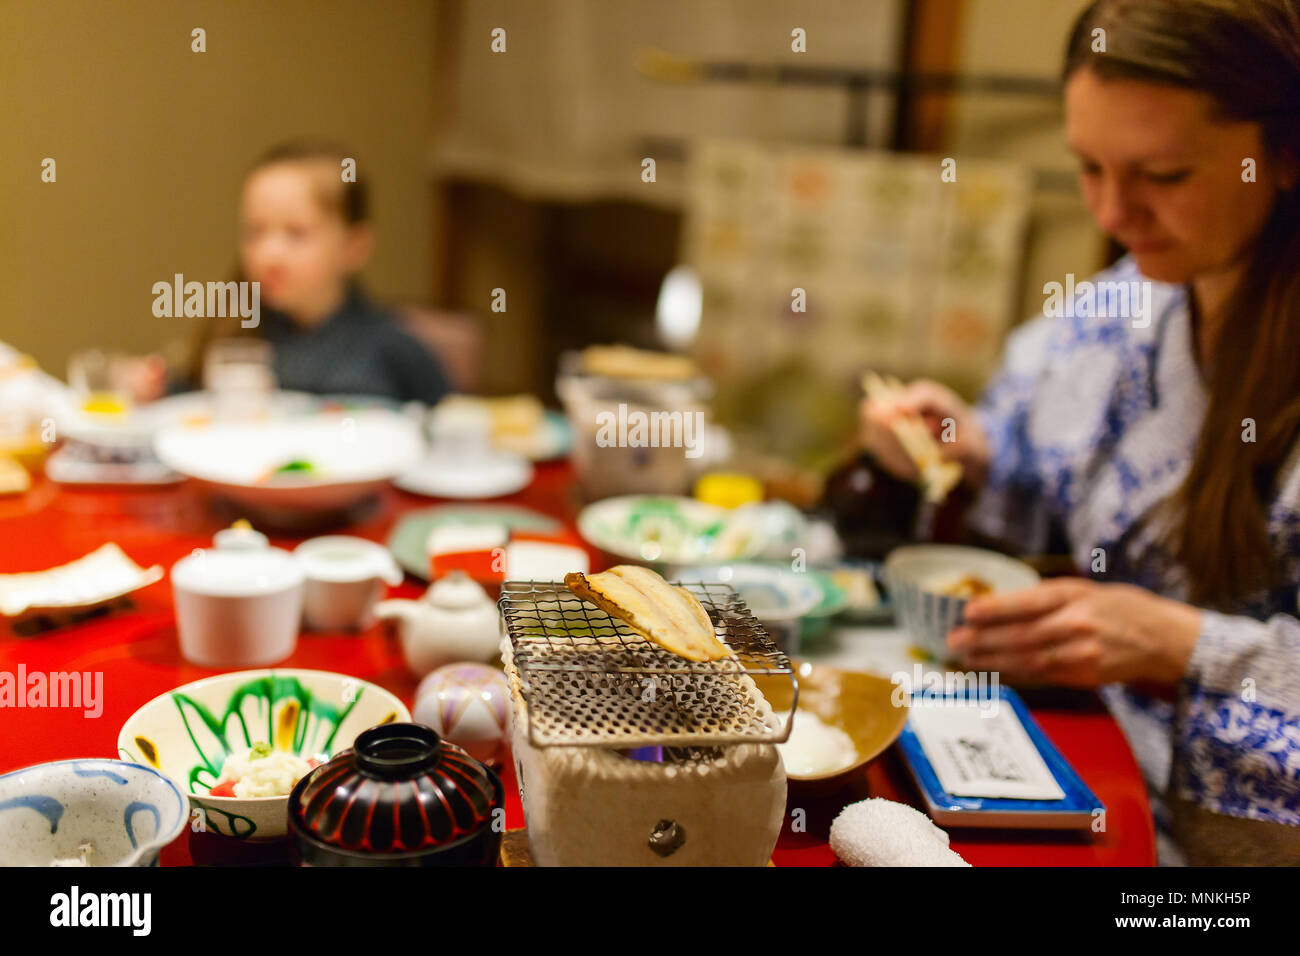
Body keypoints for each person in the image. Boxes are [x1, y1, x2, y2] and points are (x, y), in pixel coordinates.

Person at [861, 0, 1300, 865]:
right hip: (1079, 771)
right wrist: (965, 453)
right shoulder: (1119, 312)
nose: (1112, 212)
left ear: (1284, 153)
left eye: (1164, 175)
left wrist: (1184, 647)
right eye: (1089, 168)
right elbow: (1029, 471)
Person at [143, 142, 452, 405]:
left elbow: (449, 429)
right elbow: (189, 401)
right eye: (255, 232)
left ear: (354, 247)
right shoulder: (238, 331)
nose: (269, 254)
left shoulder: (391, 348)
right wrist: (155, 387)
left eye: (296, 233)